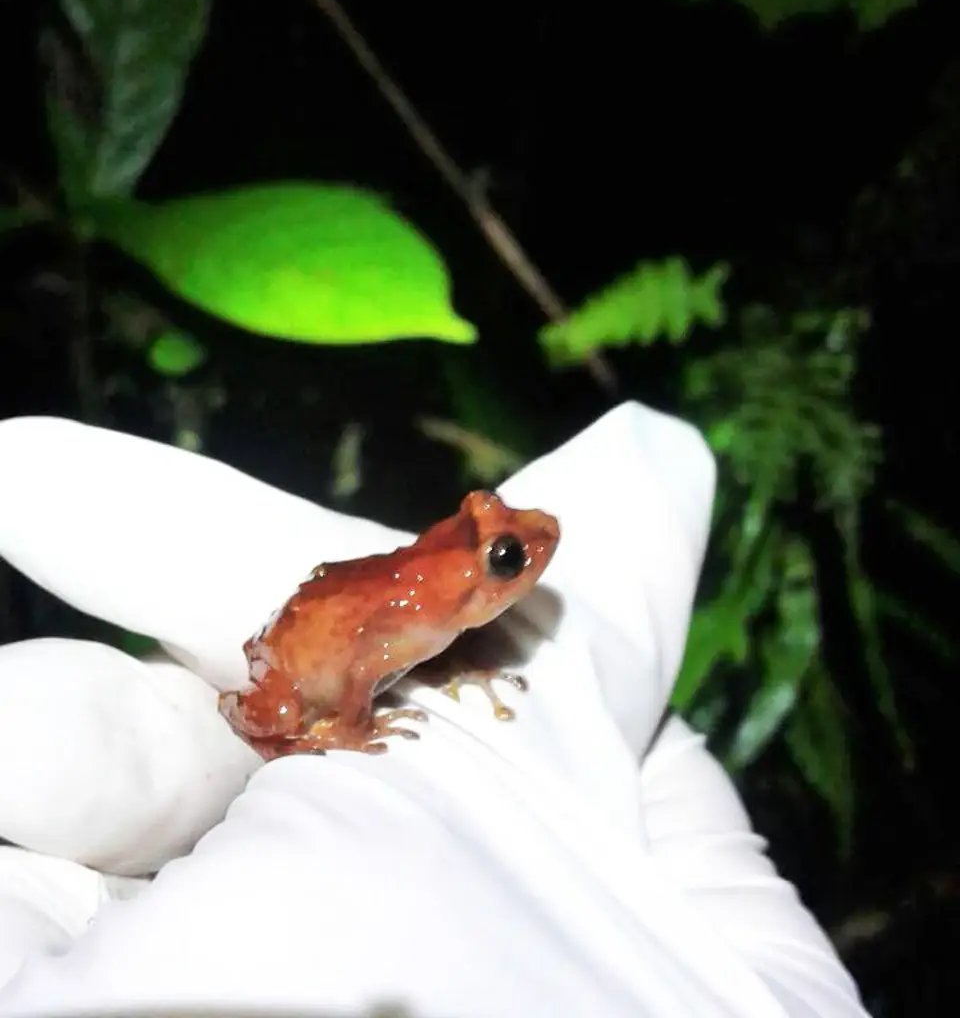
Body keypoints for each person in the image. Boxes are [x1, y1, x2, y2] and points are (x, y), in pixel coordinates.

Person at [0, 402, 869, 1017]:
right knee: (236, 721)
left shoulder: (445, 613)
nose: (529, 544)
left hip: (367, 625)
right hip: (298, 672)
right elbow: (354, 671)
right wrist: (345, 731)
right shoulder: (415, 618)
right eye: (502, 548)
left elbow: (414, 646)